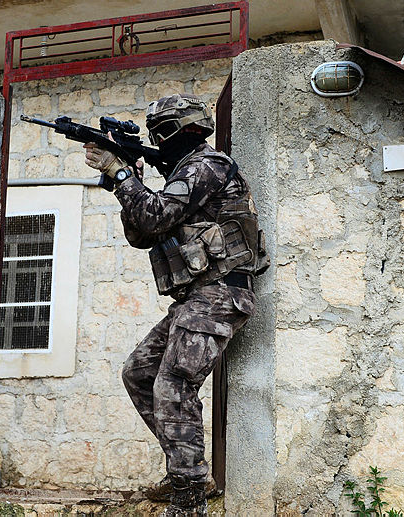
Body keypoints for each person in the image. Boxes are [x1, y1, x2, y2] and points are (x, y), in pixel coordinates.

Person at [84, 93, 268, 517]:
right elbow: (142, 234)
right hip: (196, 297)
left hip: (221, 292)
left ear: (182, 130)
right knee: (140, 373)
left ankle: (189, 499)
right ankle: (186, 471)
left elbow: (154, 217)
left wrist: (120, 171)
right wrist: (123, 180)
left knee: (174, 384)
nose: (155, 139)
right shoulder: (181, 174)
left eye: (160, 132)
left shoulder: (207, 165)